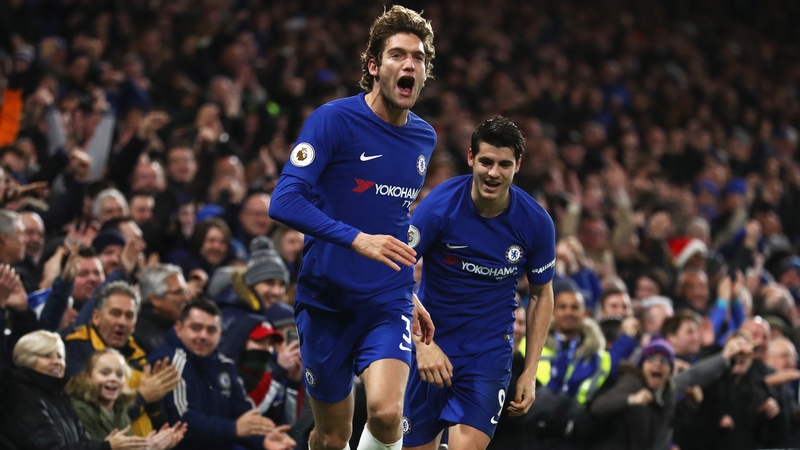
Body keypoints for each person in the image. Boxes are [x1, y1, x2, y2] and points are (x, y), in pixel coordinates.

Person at [268, 6, 436, 450]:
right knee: (331, 437)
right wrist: (355, 240)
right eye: (397, 55)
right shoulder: (333, 121)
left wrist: (408, 291)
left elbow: (391, 218)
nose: (409, 65)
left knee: (385, 413)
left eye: (417, 58)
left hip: (386, 298)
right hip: (326, 300)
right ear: (374, 66)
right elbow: (283, 200)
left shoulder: (425, 138)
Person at [401, 117, 555, 450]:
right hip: (431, 345)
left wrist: (530, 371)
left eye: (504, 164)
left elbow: (542, 295)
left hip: (487, 351)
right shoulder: (440, 207)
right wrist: (422, 345)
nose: (493, 173)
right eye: (486, 161)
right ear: (471, 158)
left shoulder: (536, 223)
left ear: (518, 166)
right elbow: (395, 270)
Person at [148, 298, 296, 450]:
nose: (203, 336)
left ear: (220, 333)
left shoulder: (225, 365)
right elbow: (182, 421)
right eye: (196, 328)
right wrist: (233, 429)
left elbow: (244, 415)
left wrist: (264, 440)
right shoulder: (170, 361)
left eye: (211, 330)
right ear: (179, 329)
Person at [0, 330, 148, 449]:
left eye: (60, 356)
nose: (57, 362)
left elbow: (82, 441)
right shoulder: (19, 394)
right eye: (47, 356)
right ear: (27, 359)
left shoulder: (59, 394)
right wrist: (106, 446)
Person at [66, 348, 186, 447]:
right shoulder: (79, 409)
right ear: (87, 376)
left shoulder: (121, 409)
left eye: (119, 375)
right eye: (105, 373)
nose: (113, 378)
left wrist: (152, 446)